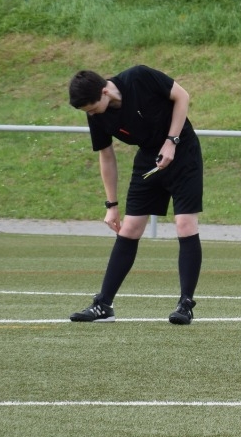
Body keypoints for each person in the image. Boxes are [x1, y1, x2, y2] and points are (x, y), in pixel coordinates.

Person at [67, 65, 204, 324]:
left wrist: (171, 141)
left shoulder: (139, 78)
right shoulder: (96, 116)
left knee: (185, 224)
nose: (92, 114)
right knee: (129, 229)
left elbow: (182, 96)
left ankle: (185, 304)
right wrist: (111, 205)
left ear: (105, 91)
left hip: (183, 152)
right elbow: (106, 156)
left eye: (93, 108)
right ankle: (103, 305)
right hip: (149, 158)